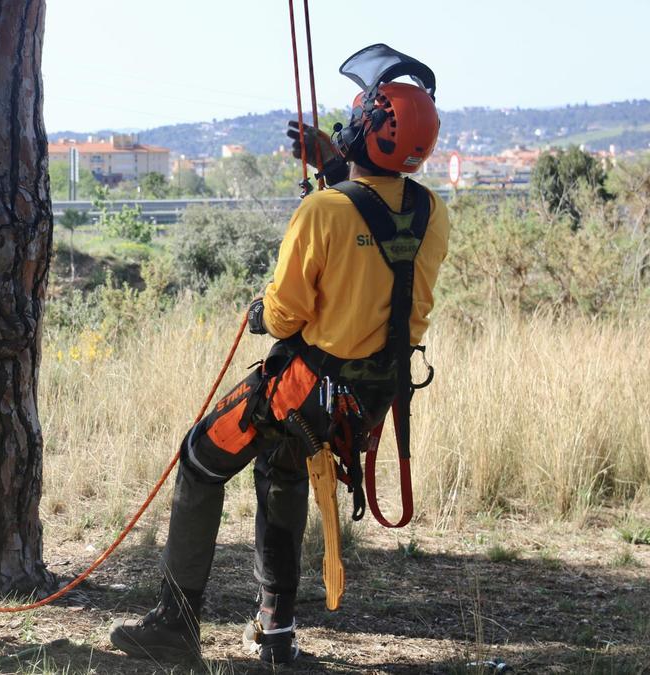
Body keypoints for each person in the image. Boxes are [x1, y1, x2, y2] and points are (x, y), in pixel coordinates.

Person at [109, 44, 450, 665]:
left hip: (306, 383)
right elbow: (375, 227)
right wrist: (338, 163)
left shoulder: (322, 210)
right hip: (371, 394)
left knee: (200, 460)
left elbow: (286, 313)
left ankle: (175, 624)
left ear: (368, 128)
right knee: (284, 470)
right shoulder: (432, 212)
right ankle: (276, 631)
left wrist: (259, 313)